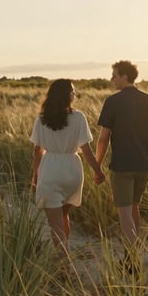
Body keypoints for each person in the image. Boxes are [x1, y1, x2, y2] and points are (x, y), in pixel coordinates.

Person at [96, 60, 148, 253]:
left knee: (125, 216)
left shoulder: (113, 101)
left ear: (125, 77)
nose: (112, 80)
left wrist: (97, 164)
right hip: (144, 165)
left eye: (114, 75)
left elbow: (103, 138)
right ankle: (130, 256)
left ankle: (134, 260)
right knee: (134, 209)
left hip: (122, 166)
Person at [30, 79, 105, 255]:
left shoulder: (42, 119)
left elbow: (37, 150)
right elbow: (86, 149)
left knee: (55, 224)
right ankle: (65, 253)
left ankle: (64, 264)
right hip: (73, 171)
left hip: (50, 170)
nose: (74, 93)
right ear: (65, 95)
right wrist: (97, 171)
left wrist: (35, 176)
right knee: (63, 216)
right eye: (72, 91)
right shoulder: (79, 117)